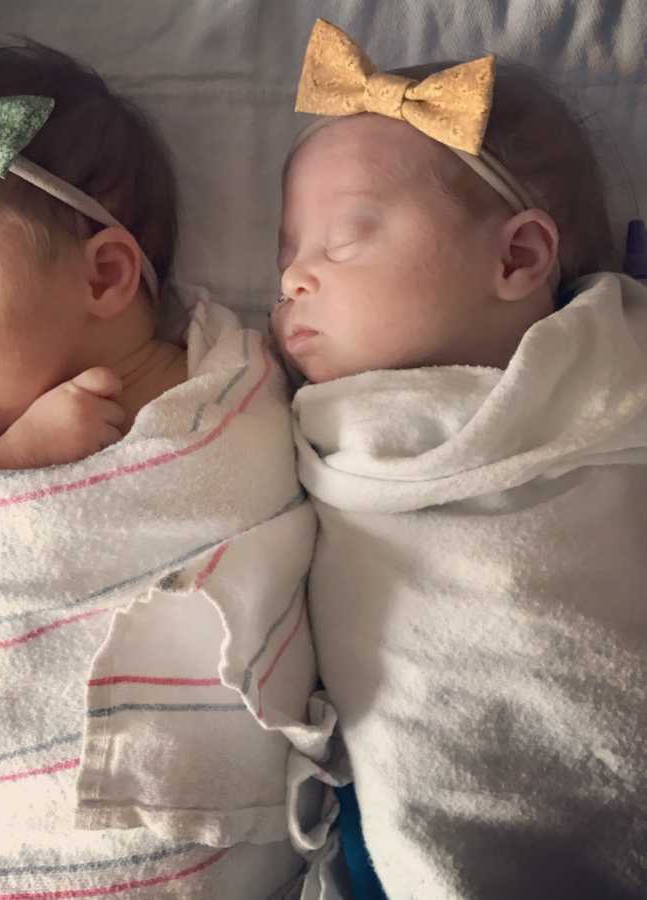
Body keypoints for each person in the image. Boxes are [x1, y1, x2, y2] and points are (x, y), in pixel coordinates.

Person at [0, 40, 323, 900]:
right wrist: (15, 464)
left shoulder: (232, 389)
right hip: (23, 843)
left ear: (106, 274)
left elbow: (269, 505)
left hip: (217, 837)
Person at [272, 19, 647, 900]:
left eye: (343, 238)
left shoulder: (615, 374)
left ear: (517, 256)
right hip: (416, 813)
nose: (291, 278)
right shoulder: (276, 414)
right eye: (285, 249)